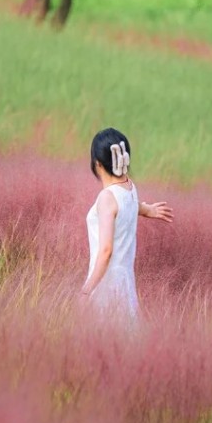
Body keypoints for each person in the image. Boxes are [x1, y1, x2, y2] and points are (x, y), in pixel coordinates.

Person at [79, 127, 173, 324]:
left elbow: (106, 251)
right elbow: (125, 205)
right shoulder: (130, 187)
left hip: (106, 280)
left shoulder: (107, 197)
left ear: (97, 164)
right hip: (125, 280)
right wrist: (147, 209)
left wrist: (86, 291)